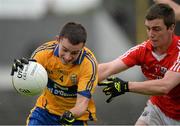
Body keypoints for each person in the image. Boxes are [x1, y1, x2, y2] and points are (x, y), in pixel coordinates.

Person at [98, 3, 180, 125]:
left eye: (156, 29)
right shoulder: (142, 50)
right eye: (148, 28)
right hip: (158, 109)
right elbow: (107, 68)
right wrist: (75, 83)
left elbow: (165, 86)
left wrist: (126, 86)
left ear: (171, 28)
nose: (151, 34)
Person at [11, 22, 98, 125]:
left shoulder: (88, 64)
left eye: (74, 53)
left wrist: (70, 114)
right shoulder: (43, 53)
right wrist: (19, 73)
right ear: (58, 40)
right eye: (65, 50)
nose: (67, 57)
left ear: (83, 47)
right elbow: (28, 76)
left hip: (74, 118)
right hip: (44, 112)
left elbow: (82, 104)